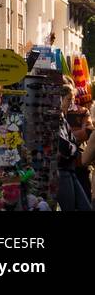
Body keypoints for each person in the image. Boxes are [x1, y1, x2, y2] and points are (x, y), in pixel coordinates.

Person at [57, 83, 91, 211]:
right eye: (68, 99)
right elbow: (66, 146)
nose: (71, 103)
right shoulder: (56, 119)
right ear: (59, 99)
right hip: (63, 171)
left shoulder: (63, 119)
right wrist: (73, 148)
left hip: (70, 169)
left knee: (85, 206)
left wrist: (72, 147)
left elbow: (73, 141)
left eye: (72, 99)